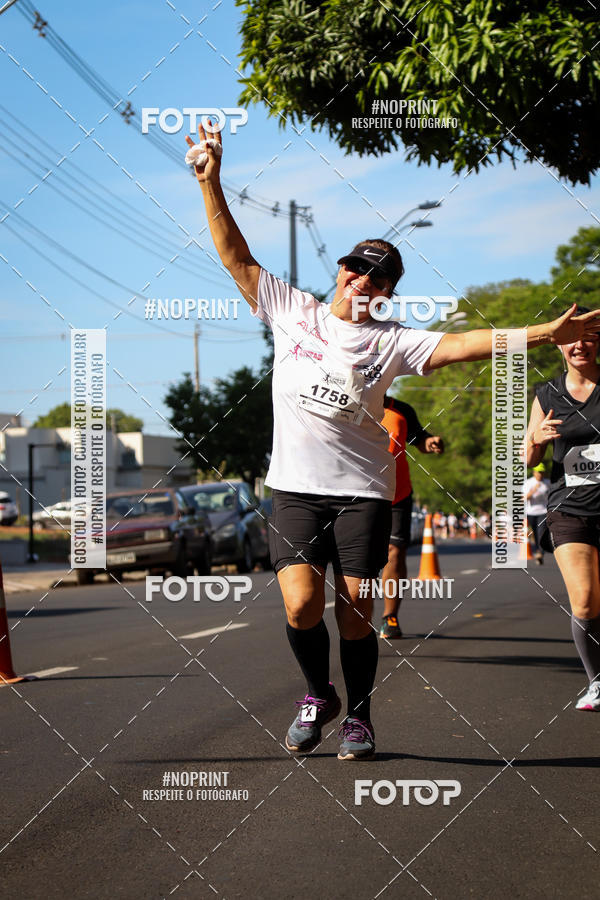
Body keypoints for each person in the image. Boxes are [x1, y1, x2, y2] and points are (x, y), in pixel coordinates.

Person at [187, 122, 600, 758]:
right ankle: (317, 693)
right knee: (300, 607)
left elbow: (468, 345)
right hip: (294, 489)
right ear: (342, 272)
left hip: (361, 494)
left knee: (354, 611)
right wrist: (212, 182)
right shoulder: (292, 310)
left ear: (387, 295)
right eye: (354, 270)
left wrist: (545, 333)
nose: (360, 283)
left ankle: (360, 715)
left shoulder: (393, 340)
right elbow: (236, 257)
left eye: (375, 280)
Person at [526, 308, 600, 710]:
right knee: (586, 599)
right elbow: (526, 457)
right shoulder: (546, 394)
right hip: (569, 508)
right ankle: (597, 681)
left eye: (588, 337)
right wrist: (535, 437)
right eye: (571, 338)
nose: (579, 345)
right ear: (558, 344)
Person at [379, 396, 444, 639]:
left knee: (394, 551)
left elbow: (419, 438)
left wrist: (431, 442)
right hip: (357, 493)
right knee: (360, 557)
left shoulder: (401, 409)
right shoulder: (349, 403)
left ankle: (390, 617)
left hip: (398, 492)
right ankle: (356, 616)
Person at [525, 463, 550, 564]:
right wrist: (533, 490)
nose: (540, 474)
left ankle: (540, 552)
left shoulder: (548, 483)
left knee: (541, 532)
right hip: (531, 512)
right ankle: (538, 550)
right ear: (534, 472)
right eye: (538, 472)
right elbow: (524, 498)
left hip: (543, 511)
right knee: (535, 533)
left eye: (542, 472)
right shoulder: (528, 483)